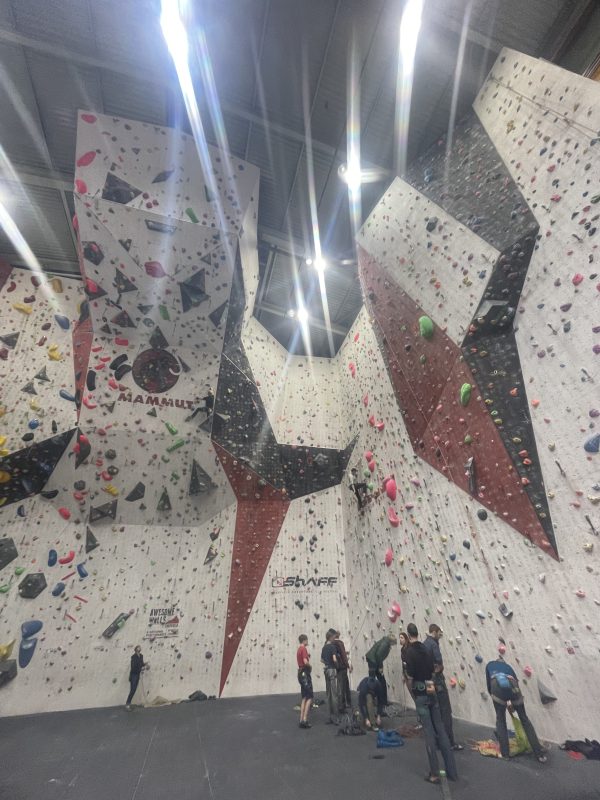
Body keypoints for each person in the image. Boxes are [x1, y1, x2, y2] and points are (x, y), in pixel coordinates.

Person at [404, 623, 457, 784]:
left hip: (420, 691)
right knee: (440, 729)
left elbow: (409, 678)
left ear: (408, 634)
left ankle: (434, 773)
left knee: (429, 733)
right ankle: (452, 771)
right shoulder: (427, 649)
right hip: (431, 688)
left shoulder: (408, 653)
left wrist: (413, 694)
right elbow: (435, 668)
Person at [485, 657, 547, 763]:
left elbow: (489, 686)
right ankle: (539, 754)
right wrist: (513, 704)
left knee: (501, 720)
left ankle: (505, 754)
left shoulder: (490, 665)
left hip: (496, 685)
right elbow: (516, 684)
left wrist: (499, 700)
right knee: (524, 719)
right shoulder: (508, 667)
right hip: (513, 686)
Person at [423, 623, 463, 750]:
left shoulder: (424, 644)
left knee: (434, 710)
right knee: (445, 711)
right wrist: (438, 670)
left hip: (428, 681)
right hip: (437, 681)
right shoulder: (434, 645)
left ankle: (437, 740)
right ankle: (449, 742)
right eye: (439, 632)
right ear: (434, 631)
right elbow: (439, 664)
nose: (440, 635)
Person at [365, 633, 397, 707]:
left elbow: (379, 656)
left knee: (378, 681)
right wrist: (380, 667)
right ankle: (378, 701)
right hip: (373, 661)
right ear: (391, 641)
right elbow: (379, 656)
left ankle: (381, 701)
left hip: (372, 660)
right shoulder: (385, 644)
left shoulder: (385, 642)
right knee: (378, 681)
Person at [321, 630, 340, 724]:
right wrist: (337, 665)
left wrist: (327, 663)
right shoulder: (332, 647)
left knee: (328, 694)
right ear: (331, 637)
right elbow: (334, 659)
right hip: (332, 670)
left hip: (326, 670)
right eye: (334, 637)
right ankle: (336, 718)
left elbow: (322, 660)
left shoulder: (324, 647)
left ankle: (330, 717)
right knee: (334, 694)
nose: (335, 639)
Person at [331, 629, 352, 712]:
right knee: (343, 686)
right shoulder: (339, 643)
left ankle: (346, 702)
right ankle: (342, 705)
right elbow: (343, 655)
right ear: (338, 635)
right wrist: (348, 665)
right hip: (342, 667)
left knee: (343, 684)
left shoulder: (332, 644)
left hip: (337, 667)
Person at [296, 634, 313, 729]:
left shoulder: (299, 650)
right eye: (307, 640)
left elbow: (302, 660)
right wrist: (310, 667)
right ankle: (305, 720)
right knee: (310, 697)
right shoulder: (303, 649)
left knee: (304, 697)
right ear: (304, 640)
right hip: (305, 674)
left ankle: (301, 719)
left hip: (300, 673)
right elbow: (305, 661)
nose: (308, 641)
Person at [125, 645, 146, 710]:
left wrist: (145, 664)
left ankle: (128, 703)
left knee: (134, 690)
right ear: (136, 649)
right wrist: (141, 669)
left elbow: (141, 664)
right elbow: (133, 667)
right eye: (138, 647)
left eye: (140, 647)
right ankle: (127, 704)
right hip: (133, 675)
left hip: (137, 675)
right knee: (132, 690)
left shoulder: (141, 656)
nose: (140, 648)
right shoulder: (133, 657)